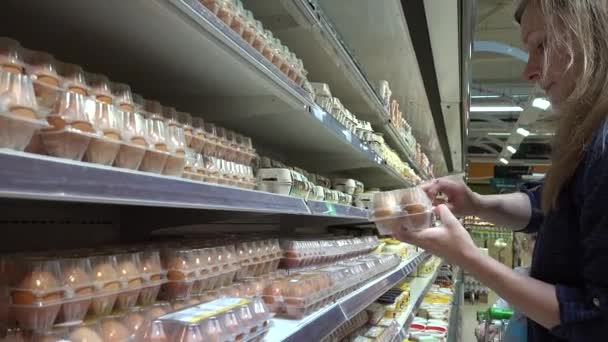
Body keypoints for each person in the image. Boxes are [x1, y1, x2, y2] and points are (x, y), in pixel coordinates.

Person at [391, 1, 608, 341]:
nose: (529, 71)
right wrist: (477, 204)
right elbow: (550, 206)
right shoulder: (589, 135)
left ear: (593, 38)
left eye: (543, 44)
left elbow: (599, 322)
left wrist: (469, 258)